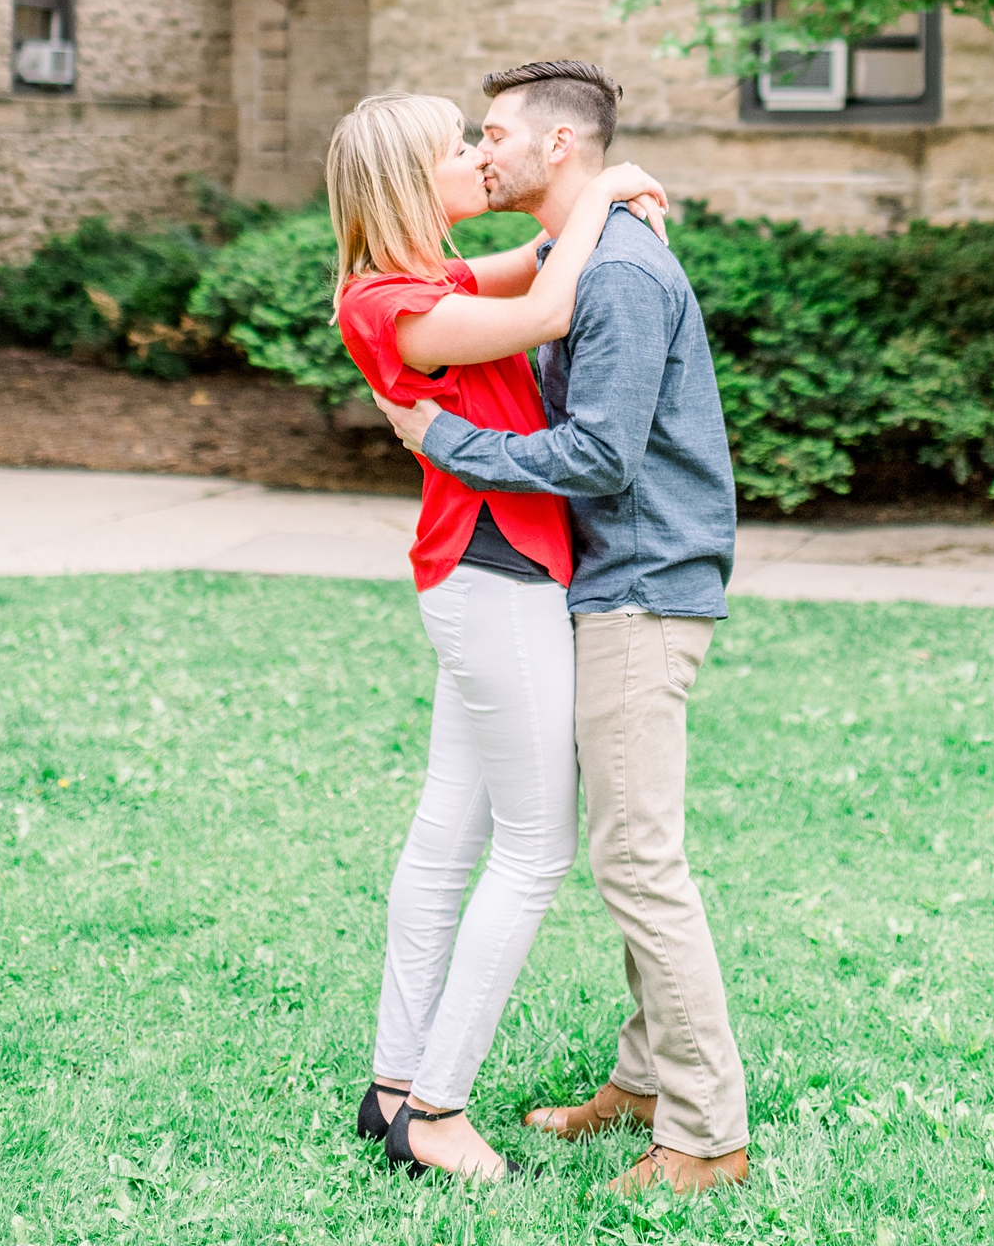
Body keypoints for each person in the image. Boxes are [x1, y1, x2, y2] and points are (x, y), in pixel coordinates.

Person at [373, 59, 749, 1197]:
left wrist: (446, 442)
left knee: (637, 860)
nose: (483, 153)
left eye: (494, 134)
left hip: (641, 591)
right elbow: (531, 285)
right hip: (610, 583)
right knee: (624, 851)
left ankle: (706, 1135)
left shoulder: (623, 273)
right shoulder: (590, 246)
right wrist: (602, 199)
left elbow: (600, 454)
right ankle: (641, 1083)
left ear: (556, 150)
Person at [326, 90, 670, 1184]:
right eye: (457, 148)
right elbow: (549, 312)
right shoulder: (391, 305)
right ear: (404, 183)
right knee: (534, 852)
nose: (478, 156)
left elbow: (528, 262)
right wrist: (611, 188)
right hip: (496, 572)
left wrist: (579, 210)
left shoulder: (421, 283)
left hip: (483, 577)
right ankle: (435, 1107)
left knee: (448, 834)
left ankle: (391, 1084)